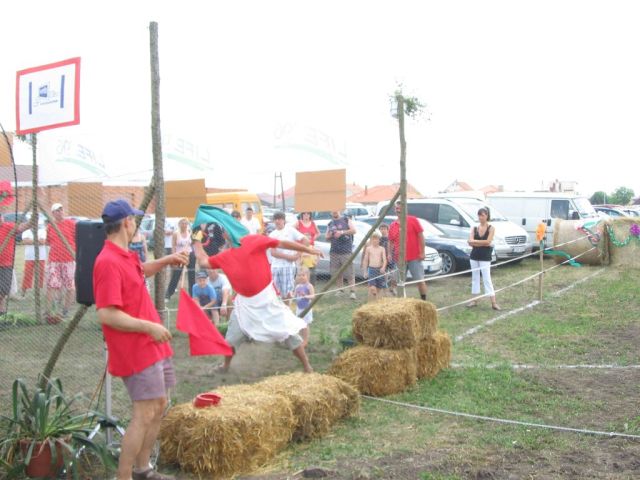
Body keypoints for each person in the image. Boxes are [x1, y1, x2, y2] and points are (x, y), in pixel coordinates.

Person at [93, 199, 188, 480]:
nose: (135, 224)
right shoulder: (107, 261)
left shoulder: (125, 255)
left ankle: (143, 470)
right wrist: (148, 327)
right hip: (136, 349)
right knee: (144, 413)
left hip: (152, 345)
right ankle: (124, 476)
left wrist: (166, 260)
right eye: (134, 219)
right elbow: (106, 314)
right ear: (126, 223)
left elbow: (139, 271)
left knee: (158, 406)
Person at [192, 230, 323, 374]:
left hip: (267, 300)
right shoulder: (225, 256)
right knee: (231, 340)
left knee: (288, 333)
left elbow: (281, 243)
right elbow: (203, 261)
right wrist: (196, 240)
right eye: (225, 231)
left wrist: (307, 249)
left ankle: (307, 366)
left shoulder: (254, 240)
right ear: (224, 235)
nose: (228, 233)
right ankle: (226, 366)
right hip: (245, 305)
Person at [389, 201, 428, 300]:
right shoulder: (393, 225)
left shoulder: (413, 220)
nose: (398, 210)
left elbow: (421, 236)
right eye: (396, 208)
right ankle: (402, 301)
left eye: (400, 208)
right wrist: (389, 253)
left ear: (405, 209)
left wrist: (422, 252)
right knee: (400, 282)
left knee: (420, 280)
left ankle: (423, 300)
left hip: (414, 257)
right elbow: (391, 241)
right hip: (399, 258)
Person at [45, 203, 77, 319]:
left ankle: (65, 310)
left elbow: (76, 238)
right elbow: (48, 241)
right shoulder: (50, 226)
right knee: (52, 285)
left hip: (69, 259)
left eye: (61, 210)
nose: (60, 212)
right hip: (54, 260)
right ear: (53, 213)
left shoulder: (71, 223)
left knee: (70, 286)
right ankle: (48, 311)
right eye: (57, 211)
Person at [269, 211, 308, 299]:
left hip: (287, 267)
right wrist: (289, 257)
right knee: (275, 293)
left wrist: (297, 255)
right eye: (275, 219)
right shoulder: (272, 234)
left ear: (284, 220)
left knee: (287, 293)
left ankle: (287, 307)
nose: (277, 221)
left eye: (279, 219)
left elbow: (306, 241)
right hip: (275, 267)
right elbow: (273, 252)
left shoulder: (290, 230)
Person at [467, 207, 500, 310]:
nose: (481, 217)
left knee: (487, 278)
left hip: (485, 257)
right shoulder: (474, 228)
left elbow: (488, 242)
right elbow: (470, 241)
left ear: (487, 216)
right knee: (475, 278)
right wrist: (482, 243)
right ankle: (474, 300)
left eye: (483, 215)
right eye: (479, 215)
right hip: (474, 256)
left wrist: (476, 242)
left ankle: (493, 302)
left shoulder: (491, 228)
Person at [0, 212, 29, 313]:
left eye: (1, 217)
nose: (1, 219)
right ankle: (2, 311)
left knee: (4, 290)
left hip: (6, 264)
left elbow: (22, 228)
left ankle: (2, 311)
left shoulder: (8, 226)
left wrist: (31, 222)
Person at [325, 210, 357, 299]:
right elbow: (326, 237)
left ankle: (352, 292)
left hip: (346, 251)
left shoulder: (346, 220)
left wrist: (342, 232)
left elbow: (354, 230)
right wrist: (331, 234)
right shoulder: (330, 223)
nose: (334, 211)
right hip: (334, 252)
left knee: (350, 273)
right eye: (332, 210)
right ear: (331, 212)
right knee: (337, 273)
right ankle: (340, 290)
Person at [165, 218, 195, 302]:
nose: (184, 225)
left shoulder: (190, 233)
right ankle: (168, 295)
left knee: (191, 275)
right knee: (176, 275)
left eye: (185, 223)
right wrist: (174, 257)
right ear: (179, 224)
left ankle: (192, 295)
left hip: (189, 255)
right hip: (179, 256)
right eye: (182, 223)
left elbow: (192, 244)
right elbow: (173, 246)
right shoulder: (176, 233)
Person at [20, 223, 47, 296]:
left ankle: (38, 292)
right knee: (27, 274)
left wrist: (31, 241)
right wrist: (38, 240)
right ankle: (23, 292)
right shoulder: (26, 232)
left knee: (40, 274)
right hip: (29, 257)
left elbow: (42, 242)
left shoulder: (42, 231)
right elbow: (25, 241)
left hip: (41, 257)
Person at [361, 230, 388, 302]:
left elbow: (385, 260)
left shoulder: (382, 249)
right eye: (373, 239)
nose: (375, 240)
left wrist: (383, 267)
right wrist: (365, 271)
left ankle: (375, 301)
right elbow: (366, 260)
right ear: (371, 240)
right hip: (371, 270)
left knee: (379, 288)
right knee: (373, 288)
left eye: (377, 239)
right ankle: (373, 299)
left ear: (379, 240)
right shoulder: (368, 248)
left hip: (379, 270)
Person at [295, 212, 320, 284]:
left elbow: (318, 233)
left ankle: (310, 286)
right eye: (304, 214)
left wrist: (312, 239)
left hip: (310, 248)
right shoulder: (298, 223)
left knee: (311, 271)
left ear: (310, 215)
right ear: (302, 215)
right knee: (302, 271)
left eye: (308, 214)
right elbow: (291, 231)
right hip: (301, 248)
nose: (306, 215)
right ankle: (301, 286)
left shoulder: (313, 223)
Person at [293, 266, 314, 347]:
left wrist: (305, 296)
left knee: (305, 324)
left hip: (306, 308)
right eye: (299, 275)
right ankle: (301, 339)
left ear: (307, 276)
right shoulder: (297, 286)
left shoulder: (309, 286)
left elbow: (313, 296)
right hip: (299, 308)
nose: (301, 277)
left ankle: (305, 341)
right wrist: (291, 296)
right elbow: (294, 296)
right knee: (299, 323)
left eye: (303, 275)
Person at [379, 223, 397, 296]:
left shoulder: (391, 238)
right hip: (383, 260)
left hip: (392, 258)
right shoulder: (379, 239)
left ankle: (393, 288)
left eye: (384, 229)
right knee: (384, 275)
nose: (383, 230)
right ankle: (385, 289)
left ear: (387, 230)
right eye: (381, 229)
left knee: (394, 274)